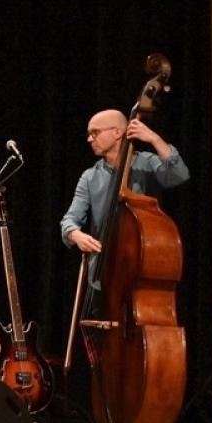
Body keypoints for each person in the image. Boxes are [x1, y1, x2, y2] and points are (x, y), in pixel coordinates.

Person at [59, 108, 190, 311]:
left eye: (95, 132)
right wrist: (75, 234)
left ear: (117, 132)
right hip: (103, 275)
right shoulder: (89, 177)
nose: (89, 139)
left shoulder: (146, 162)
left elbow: (179, 175)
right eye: (89, 134)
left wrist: (154, 139)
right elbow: (69, 220)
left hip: (141, 268)